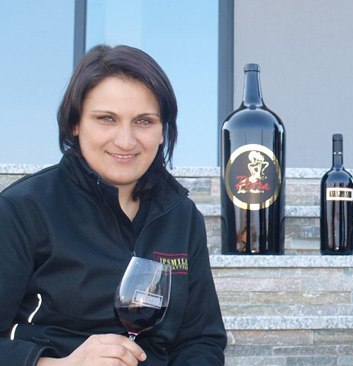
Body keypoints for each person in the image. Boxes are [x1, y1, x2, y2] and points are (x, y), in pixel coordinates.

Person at [0, 45, 226, 365]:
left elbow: (201, 338)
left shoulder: (181, 216)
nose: (125, 141)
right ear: (75, 124)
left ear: (163, 131)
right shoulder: (23, 210)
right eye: (107, 118)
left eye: (144, 121)